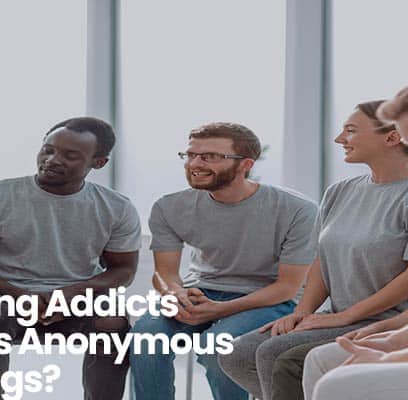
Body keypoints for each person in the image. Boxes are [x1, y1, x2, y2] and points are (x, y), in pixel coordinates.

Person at [219, 101, 408, 400]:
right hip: (335, 313)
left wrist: (347, 316)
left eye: (351, 131)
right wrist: (302, 313)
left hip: (391, 318)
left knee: (276, 353)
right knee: (238, 353)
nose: (339, 139)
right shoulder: (340, 191)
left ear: (392, 138)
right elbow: (321, 262)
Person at [130, 122, 318, 400]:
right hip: (202, 291)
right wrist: (176, 293)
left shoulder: (296, 209)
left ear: (246, 164)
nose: (195, 163)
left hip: (268, 299)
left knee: (218, 346)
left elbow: (288, 287)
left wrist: (220, 310)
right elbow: (164, 273)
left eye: (210, 157)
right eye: (191, 155)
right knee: (146, 334)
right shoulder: (169, 207)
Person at [0, 117, 141, 400]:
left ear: (98, 162)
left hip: (78, 296)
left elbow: (123, 271)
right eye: (48, 149)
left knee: (112, 318)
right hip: (6, 294)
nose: (52, 160)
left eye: (70, 156)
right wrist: (21, 294)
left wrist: (68, 293)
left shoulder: (116, 207)